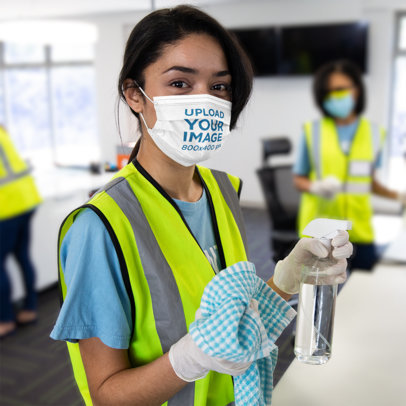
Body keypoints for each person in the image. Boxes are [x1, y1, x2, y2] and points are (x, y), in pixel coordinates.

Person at [50, 6, 352, 406]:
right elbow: (107, 395)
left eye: (220, 86)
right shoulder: (100, 227)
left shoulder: (223, 189)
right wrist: (188, 359)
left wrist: (285, 281)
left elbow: (233, 322)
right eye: (179, 83)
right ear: (134, 95)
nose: (205, 101)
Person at [293, 59, 406, 271]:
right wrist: (315, 187)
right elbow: (299, 179)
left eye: (341, 89)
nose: (335, 96)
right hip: (321, 229)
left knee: (364, 290)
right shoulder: (312, 131)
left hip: (359, 228)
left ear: (357, 90)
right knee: (318, 289)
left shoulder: (374, 133)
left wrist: (397, 196)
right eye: (328, 92)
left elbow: (369, 182)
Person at [0, 125, 42, 338]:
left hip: (6, 207)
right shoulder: (2, 131)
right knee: (22, 256)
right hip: (26, 198)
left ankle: (5, 320)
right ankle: (29, 309)